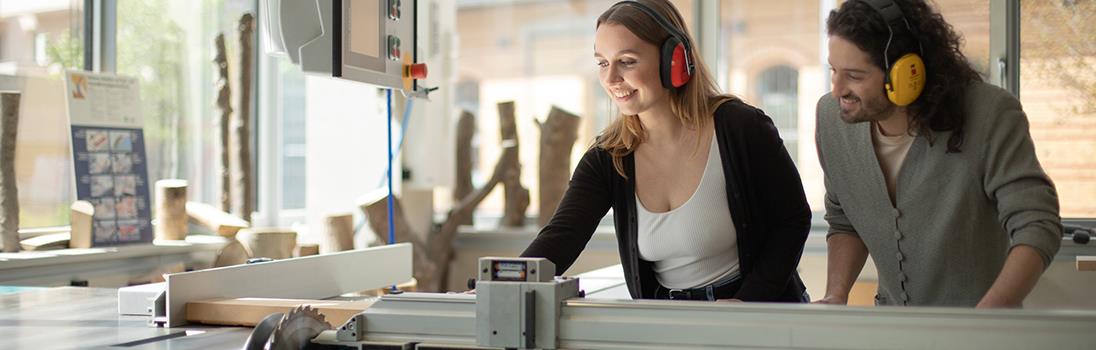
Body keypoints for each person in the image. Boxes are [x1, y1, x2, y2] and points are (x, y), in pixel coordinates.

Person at [520, 0, 811, 302]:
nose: (610, 79)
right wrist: (499, 283)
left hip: (761, 310)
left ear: (674, 60)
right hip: (671, 318)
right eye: (603, 63)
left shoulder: (740, 127)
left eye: (627, 61)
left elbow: (793, 219)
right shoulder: (607, 158)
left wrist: (747, 302)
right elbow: (560, 238)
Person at [814, 0, 1061, 307]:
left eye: (855, 75)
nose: (837, 89)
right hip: (891, 326)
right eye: (834, 70)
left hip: (981, 329)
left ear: (906, 74)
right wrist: (835, 295)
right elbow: (844, 221)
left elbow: (1037, 225)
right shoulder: (830, 118)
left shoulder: (989, 114)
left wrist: (988, 316)